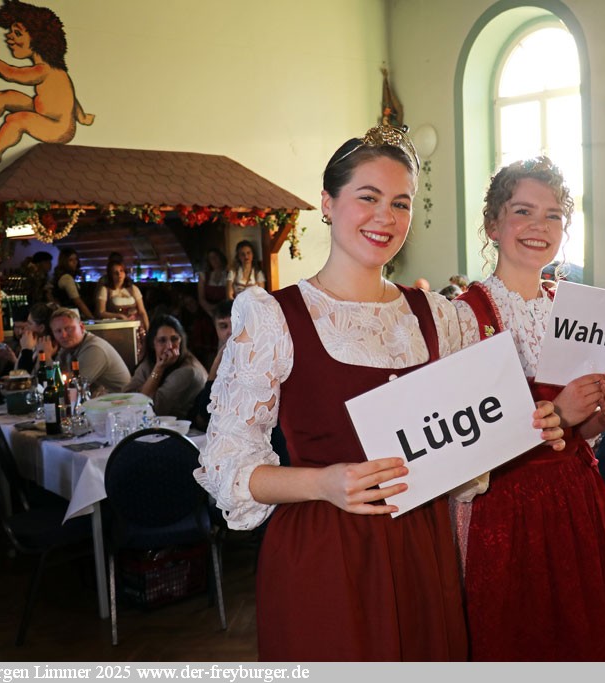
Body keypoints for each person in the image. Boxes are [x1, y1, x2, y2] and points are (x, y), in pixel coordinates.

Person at [195, 125, 563, 662]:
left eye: (400, 203)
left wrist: (525, 423)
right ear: (328, 203)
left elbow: (463, 448)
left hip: (422, 550)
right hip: (324, 551)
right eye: (368, 197)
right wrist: (324, 482)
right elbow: (225, 467)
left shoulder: (440, 317)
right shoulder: (274, 316)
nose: (385, 217)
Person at [451, 157, 605, 661]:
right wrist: (556, 410)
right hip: (503, 506)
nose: (540, 226)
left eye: (553, 215)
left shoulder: (574, 311)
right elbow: (462, 443)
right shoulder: (464, 315)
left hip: (575, 497)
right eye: (523, 211)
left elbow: (584, 428)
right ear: (493, 225)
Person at [0, 0, 94, 163]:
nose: (9, 37)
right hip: (44, 113)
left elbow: (13, 74)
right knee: (6, 96)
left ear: (39, 40)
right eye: (11, 31)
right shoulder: (55, 71)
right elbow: (70, 99)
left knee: (17, 119)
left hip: (57, 129)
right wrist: (82, 118)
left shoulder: (44, 70)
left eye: (17, 33)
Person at [123, 314, 207, 418]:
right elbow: (126, 398)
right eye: (162, 340)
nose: (169, 346)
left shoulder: (188, 371)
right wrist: (157, 368)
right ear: (152, 344)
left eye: (174, 339)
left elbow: (148, 409)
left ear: (181, 341)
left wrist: (159, 369)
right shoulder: (150, 363)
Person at [49, 307, 130, 394]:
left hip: (120, 400)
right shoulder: (68, 347)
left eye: (68, 328)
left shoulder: (95, 349)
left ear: (81, 327)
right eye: (58, 331)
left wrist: (46, 358)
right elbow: (50, 381)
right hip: (99, 399)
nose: (64, 335)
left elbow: (73, 387)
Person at [189, 300, 233, 432]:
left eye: (236, 324)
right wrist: (217, 362)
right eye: (223, 326)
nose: (230, 331)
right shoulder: (223, 357)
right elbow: (204, 414)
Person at [95, 259, 150, 332]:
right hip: (115, 327)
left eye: (121, 271)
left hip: (135, 326)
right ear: (111, 275)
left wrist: (148, 330)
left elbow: (142, 312)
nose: (119, 274)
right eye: (115, 272)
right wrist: (119, 316)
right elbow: (101, 312)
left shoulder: (133, 289)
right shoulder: (105, 290)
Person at [50, 247, 95, 320]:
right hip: (69, 316)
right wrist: (91, 317)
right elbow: (77, 301)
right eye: (70, 260)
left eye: (76, 259)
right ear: (64, 262)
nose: (75, 262)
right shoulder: (67, 278)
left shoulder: (64, 277)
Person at [197, 247, 229, 317]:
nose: (214, 260)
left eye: (216, 256)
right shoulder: (204, 276)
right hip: (208, 311)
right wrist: (212, 312)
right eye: (211, 258)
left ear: (221, 257)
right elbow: (201, 299)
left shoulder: (229, 275)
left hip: (225, 310)